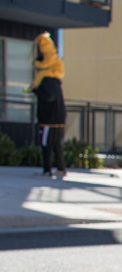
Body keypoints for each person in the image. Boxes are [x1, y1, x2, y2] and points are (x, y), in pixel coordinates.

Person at [27, 32, 67, 179]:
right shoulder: (55, 79)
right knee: (57, 146)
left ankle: (47, 170)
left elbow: (48, 97)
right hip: (59, 118)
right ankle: (61, 169)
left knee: (47, 146)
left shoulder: (45, 79)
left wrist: (35, 90)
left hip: (49, 120)